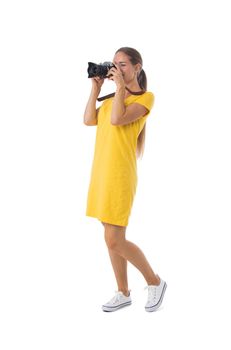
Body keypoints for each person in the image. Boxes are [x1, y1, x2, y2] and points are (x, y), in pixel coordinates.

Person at [83, 47, 167, 312]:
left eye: (123, 65)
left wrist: (120, 88)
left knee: (114, 240)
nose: (117, 70)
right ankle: (123, 292)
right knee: (110, 235)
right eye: (114, 65)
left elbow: (118, 120)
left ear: (137, 68)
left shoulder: (145, 98)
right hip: (101, 172)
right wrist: (96, 89)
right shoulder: (110, 99)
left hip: (120, 174)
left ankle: (155, 282)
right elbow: (88, 120)